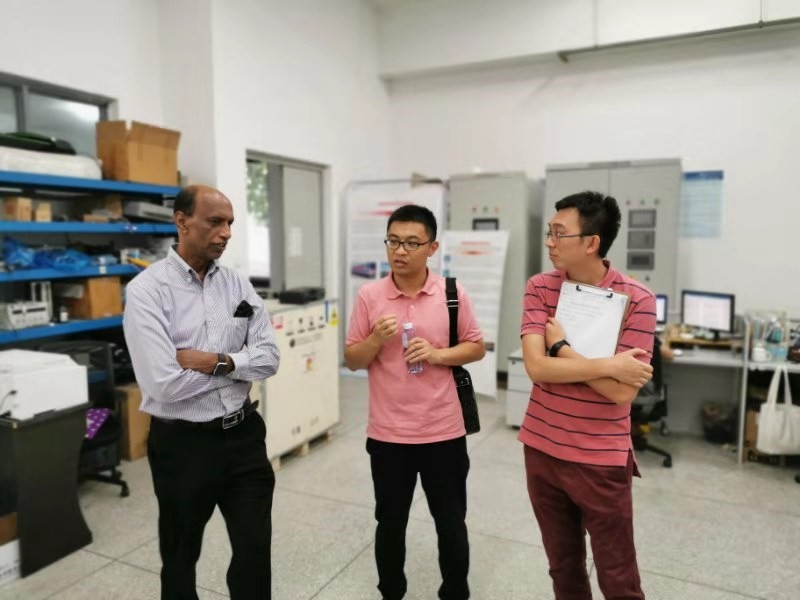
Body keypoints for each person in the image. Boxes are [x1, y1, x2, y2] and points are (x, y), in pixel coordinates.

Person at [123, 185, 280, 600]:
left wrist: (216, 362)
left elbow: (270, 358)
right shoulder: (147, 291)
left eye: (230, 223)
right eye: (215, 222)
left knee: (254, 552)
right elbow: (163, 384)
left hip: (244, 437)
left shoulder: (238, 285)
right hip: (183, 446)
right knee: (180, 556)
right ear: (182, 221)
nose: (226, 232)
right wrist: (240, 365)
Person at [519, 191, 656, 600]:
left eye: (559, 233)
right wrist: (608, 365)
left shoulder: (638, 299)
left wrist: (561, 349)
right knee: (563, 569)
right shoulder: (540, 287)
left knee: (618, 577)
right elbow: (536, 368)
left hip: (600, 458)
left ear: (592, 242)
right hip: (542, 449)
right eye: (549, 232)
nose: (549, 242)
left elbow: (621, 392)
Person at [344, 204, 485, 600]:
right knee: (390, 523)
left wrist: (438, 354)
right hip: (389, 435)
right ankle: (391, 591)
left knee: (451, 522)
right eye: (393, 242)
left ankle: (455, 592)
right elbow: (352, 360)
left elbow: (476, 347)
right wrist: (375, 339)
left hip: (444, 432)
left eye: (411, 243)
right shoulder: (370, 295)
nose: (400, 251)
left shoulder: (452, 293)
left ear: (432, 248)